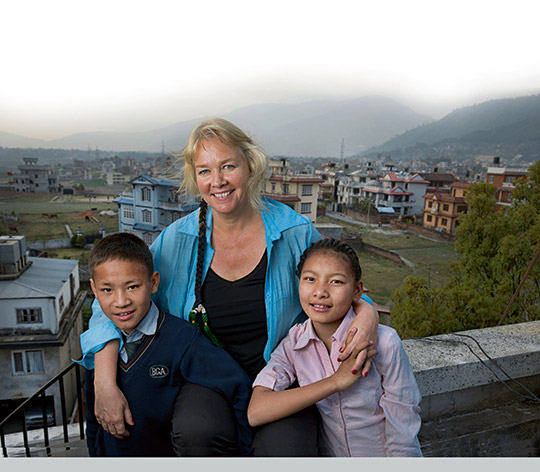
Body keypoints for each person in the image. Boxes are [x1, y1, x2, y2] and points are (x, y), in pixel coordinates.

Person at [79, 118, 379, 456]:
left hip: (284, 373)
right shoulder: (176, 241)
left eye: (228, 166)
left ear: (250, 166)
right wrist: (104, 383)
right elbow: (112, 304)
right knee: (196, 433)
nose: (217, 181)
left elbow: (339, 286)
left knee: (287, 449)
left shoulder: (293, 231)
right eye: (205, 171)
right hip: (205, 378)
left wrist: (367, 314)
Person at [248, 238, 423, 457]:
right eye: (310, 279)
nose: (320, 291)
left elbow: (403, 427)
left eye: (336, 282)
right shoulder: (294, 344)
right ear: (298, 283)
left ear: (358, 290)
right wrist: (334, 382)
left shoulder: (385, 342)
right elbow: (256, 412)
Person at [83, 232, 253, 456]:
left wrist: (246, 453)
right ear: (94, 290)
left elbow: (237, 385)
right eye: (107, 290)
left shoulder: (182, 339)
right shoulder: (99, 348)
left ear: (153, 283)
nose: (121, 301)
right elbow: (94, 418)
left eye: (132, 287)